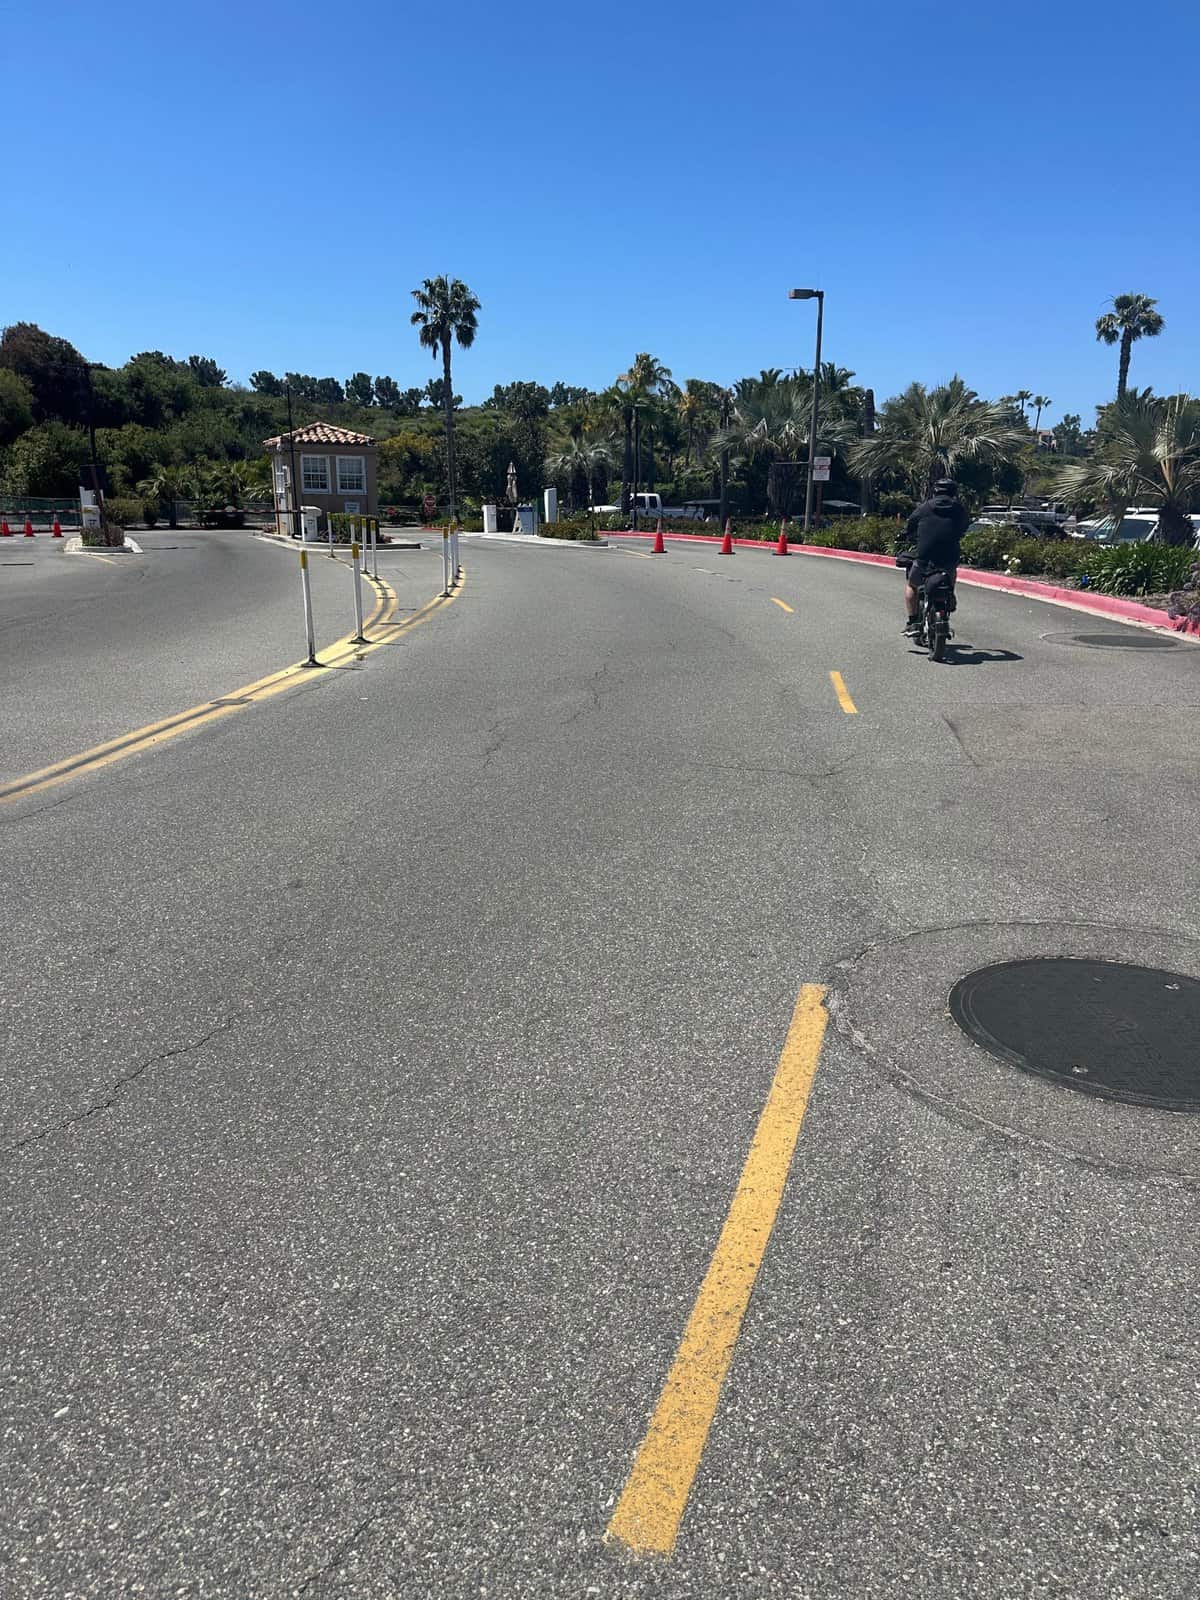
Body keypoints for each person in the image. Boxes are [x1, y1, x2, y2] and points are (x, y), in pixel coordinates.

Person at [901, 479, 969, 635]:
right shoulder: (959, 509)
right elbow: (965, 525)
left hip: (925, 556)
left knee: (912, 585)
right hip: (949, 556)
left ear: (935, 491)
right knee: (951, 571)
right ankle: (950, 593)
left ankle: (913, 622)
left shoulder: (925, 507)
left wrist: (905, 534)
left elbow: (910, 524)